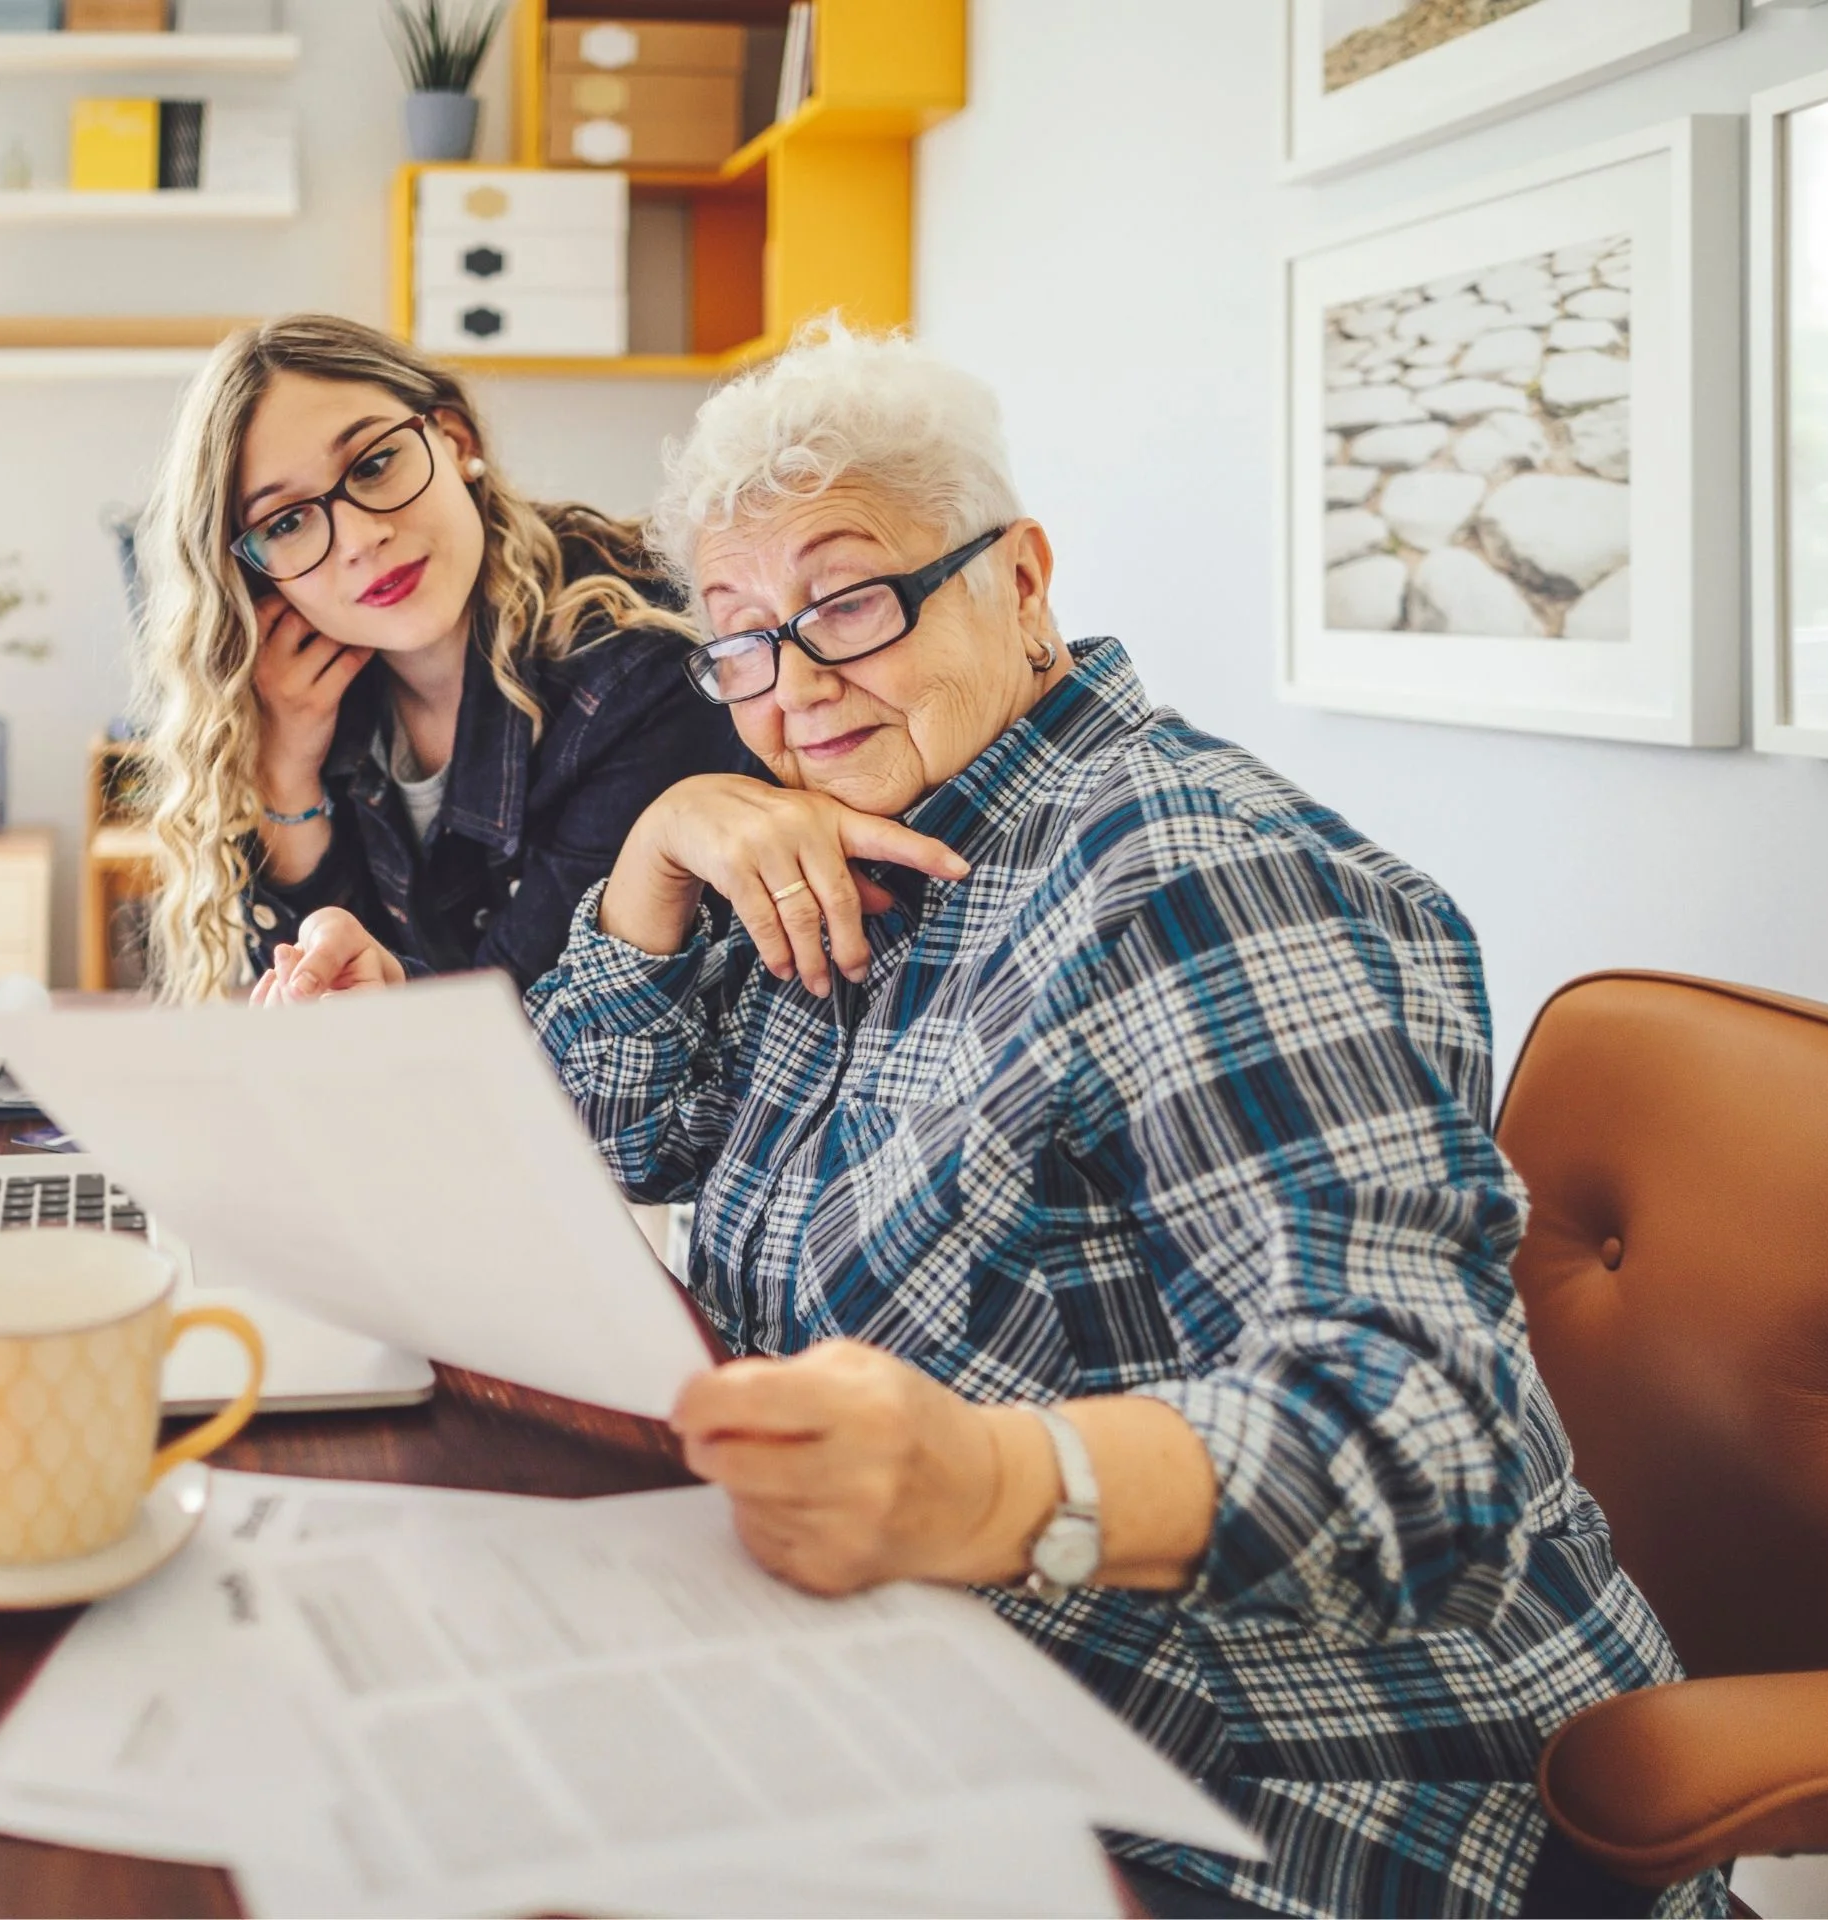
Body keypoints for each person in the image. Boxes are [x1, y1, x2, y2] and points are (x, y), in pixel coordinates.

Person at [255, 323, 1708, 1920]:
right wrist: (653, 864)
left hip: (1297, 1811)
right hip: (940, 1691)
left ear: (1020, 581)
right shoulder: (873, 845)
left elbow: (1434, 1438)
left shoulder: (1195, 879)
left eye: (849, 603)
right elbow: (620, 1146)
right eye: (741, 641)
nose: (797, 689)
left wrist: (995, 1484)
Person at [134, 313, 747, 998]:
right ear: (255, 575)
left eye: (374, 464)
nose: (360, 539)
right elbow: (323, 994)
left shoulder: (636, 669)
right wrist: (286, 777)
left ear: (455, 441)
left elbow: (535, 1020)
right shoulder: (304, 695)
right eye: (287, 521)